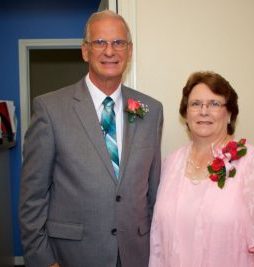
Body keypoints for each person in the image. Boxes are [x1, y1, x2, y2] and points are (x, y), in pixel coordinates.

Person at [19, 10, 163, 267]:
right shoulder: (50, 109)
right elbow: (32, 198)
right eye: (100, 42)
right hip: (72, 256)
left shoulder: (150, 110)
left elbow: (152, 192)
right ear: (85, 51)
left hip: (136, 255)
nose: (110, 51)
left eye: (119, 42)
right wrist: (43, 261)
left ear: (129, 51)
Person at [149, 71, 254, 267]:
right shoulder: (171, 164)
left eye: (214, 104)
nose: (203, 111)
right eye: (195, 104)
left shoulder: (252, 162)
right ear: (186, 113)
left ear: (230, 113)